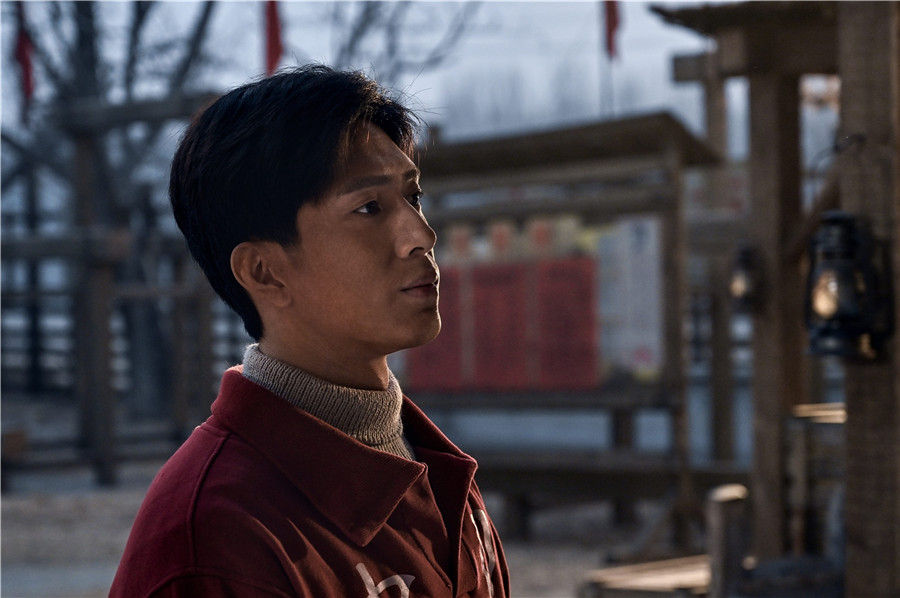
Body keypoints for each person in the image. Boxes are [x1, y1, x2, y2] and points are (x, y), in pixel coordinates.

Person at [110, 64, 509, 598]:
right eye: (369, 208)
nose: (421, 235)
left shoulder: (439, 472)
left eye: (413, 198)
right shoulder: (218, 539)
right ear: (264, 272)